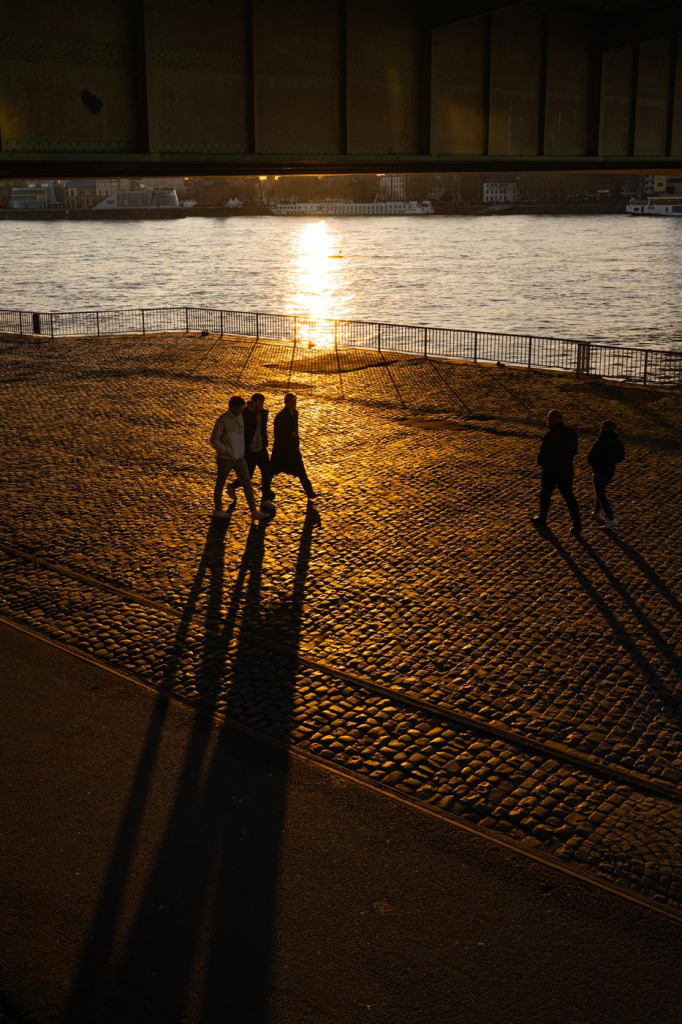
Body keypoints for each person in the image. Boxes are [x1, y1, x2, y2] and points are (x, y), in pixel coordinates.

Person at [210, 395, 268, 522]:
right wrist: (225, 450)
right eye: (240, 409)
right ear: (233, 407)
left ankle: (253, 511)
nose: (242, 411)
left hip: (239, 457)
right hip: (225, 459)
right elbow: (214, 439)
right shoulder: (222, 420)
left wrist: (241, 451)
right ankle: (218, 509)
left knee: (247, 482)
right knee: (220, 483)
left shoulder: (240, 417)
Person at [532, 409, 582, 535]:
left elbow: (544, 455)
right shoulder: (571, 433)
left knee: (546, 495)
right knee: (569, 497)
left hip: (551, 471)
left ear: (554, 419)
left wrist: (543, 462)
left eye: (549, 419)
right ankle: (577, 522)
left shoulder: (551, 435)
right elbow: (574, 451)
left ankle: (542, 518)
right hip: (566, 470)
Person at [228, 393, 276, 511]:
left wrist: (265, 441)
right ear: (253, 402)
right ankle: (232, 486)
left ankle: (265, 500)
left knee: (267, 473)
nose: (261, 405)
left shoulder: (263, 413)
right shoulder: (244, 413)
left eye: (262, 403)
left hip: (261, 449)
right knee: (248, 476)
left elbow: (262, 429)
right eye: (260, 403)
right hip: (249, 451)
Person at [270, 392, 317, 500]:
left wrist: (295, 439)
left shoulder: (295, 413)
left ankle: (309, 492)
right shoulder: (280, 416)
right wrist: (290, 434)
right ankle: (266, 491)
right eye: (292, 401)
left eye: (295, 401)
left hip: (293, 449)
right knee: (271, 472)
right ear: (286, 402)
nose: (294, 404)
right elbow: (277, 434)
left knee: (301, 471)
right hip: (282, 451)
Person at [587, 419, 625, 528]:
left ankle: (611, 518)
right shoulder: (618, 442)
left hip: (599, 471)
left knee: (601, 494)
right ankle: (596, 512)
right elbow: (621, 457)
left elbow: (590, 458)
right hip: (610, 471)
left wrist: (595, 466)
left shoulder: (600, 442)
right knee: (601, 491)